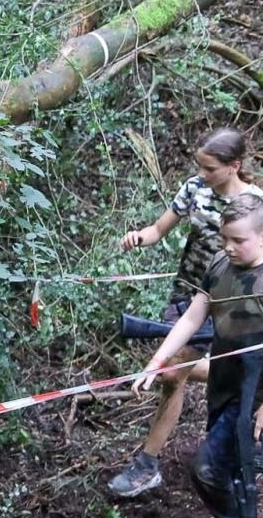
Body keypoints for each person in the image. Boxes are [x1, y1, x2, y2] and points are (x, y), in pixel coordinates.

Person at [109, 128, 263, 498]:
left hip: (238, 301)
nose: (203, 173)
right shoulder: (195, 188)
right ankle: (147, 466)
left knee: (199, 367)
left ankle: (245, 440)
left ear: (234, 166)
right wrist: (138, 238)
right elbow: (159, 229)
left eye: (210, 168)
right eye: (200, 166)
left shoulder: (255, 204)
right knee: (173, 374)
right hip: (191, 294)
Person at [133, 193, 263, 518]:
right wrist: (157, 362)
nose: (228, 246)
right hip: (225, 387)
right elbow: (192, 319)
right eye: (226, 237)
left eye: (239, 240)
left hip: (256, 398)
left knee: (207, 469)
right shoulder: (221, 264)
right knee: (228, 471)